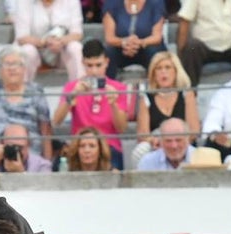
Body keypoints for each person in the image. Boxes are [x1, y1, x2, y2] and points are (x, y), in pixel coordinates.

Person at [49, 38, 132, 170]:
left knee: (114, 169)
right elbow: (56, 121)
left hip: (109, 146)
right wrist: (71, 98)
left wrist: (113, 104)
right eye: (89, 65)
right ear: (83, 63)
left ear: (106, 62)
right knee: (58, 167)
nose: (94, 71)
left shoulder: (118, 88)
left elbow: (122, 129)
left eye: (98, 65)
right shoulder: (73, 87)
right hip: (80, 147)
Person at [131, 51, 198, 168]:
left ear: (176, 71)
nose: (163, 72)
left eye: (167, 67)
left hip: (183, 143)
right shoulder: (146, 97)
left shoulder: (187, 94)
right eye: (159, 68)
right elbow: (142, 134)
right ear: (153, 74)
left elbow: (194, 130)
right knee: (140, 150)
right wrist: (157, 141)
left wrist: (176, 141)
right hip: (156, 145)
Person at [12, 0, 84, 82]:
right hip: (36, 50)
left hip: (61, 51)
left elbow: (77, 33)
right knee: (27, 50)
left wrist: (60, 41)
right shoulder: (24, 2)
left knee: (76, 47)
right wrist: (44, 42)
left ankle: (80, 89)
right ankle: (24, 90)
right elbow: (22, 37)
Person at [101, 0, 165, 79]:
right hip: (121, 48)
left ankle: (156, 89)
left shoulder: (156, 2)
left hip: (147, 46)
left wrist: (139, 43)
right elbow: (109, 38)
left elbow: (157, 37)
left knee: (154, 51)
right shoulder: (112, 3)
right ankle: (108, 87)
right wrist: (124, 42)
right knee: (109, 52)